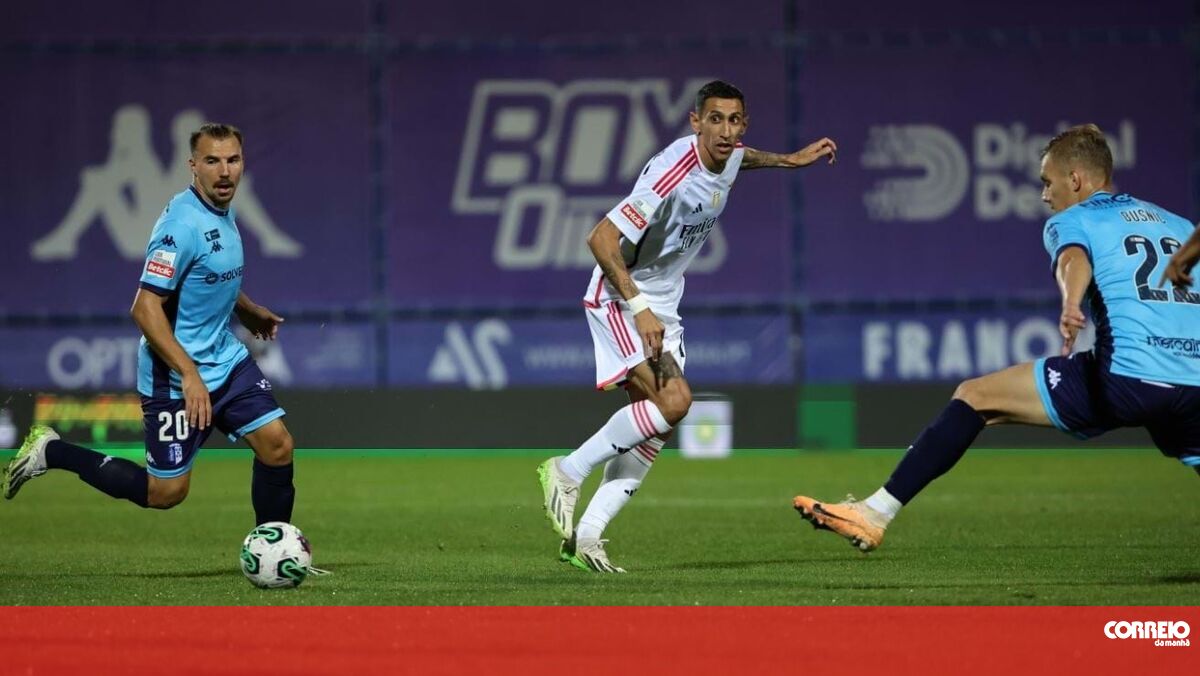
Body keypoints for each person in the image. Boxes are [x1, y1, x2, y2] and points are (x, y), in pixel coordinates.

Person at [793, 124, 1200, 553]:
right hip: (1195, 380)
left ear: (1076, 180)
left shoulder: (1075, 218)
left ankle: (874, 513)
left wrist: (1070, 301)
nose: (1044, 195)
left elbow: (1072, 259)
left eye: (1047, 182)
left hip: (1129, 376)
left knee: (975, 397)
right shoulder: (1177, 223)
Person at [537, 80, 838, 572]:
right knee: (675, 402)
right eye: (714, 119)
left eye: (734, 120)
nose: (725, 130)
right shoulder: (670, 172)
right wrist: (638, 306)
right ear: (695, 122)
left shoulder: (733, 155)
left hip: (663, 303)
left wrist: (788, 160)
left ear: (743, 124)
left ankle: (587, 537)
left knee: (656, 427)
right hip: (620, 296)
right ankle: (566, 471)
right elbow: (600, 238)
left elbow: (744, 158)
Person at [4, 123, 299, 528]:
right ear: (192, 165)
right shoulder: (181, 227)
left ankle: (274, 545)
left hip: (224, 360)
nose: (225, 171)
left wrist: (245, 308)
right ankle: (52, 452)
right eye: (212, 161)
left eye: (233, 160)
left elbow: (205, 277)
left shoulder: (220, 210)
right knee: (166, 493)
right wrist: (189, 372)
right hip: (175, 376)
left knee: (277, 445)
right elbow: (144, 308)